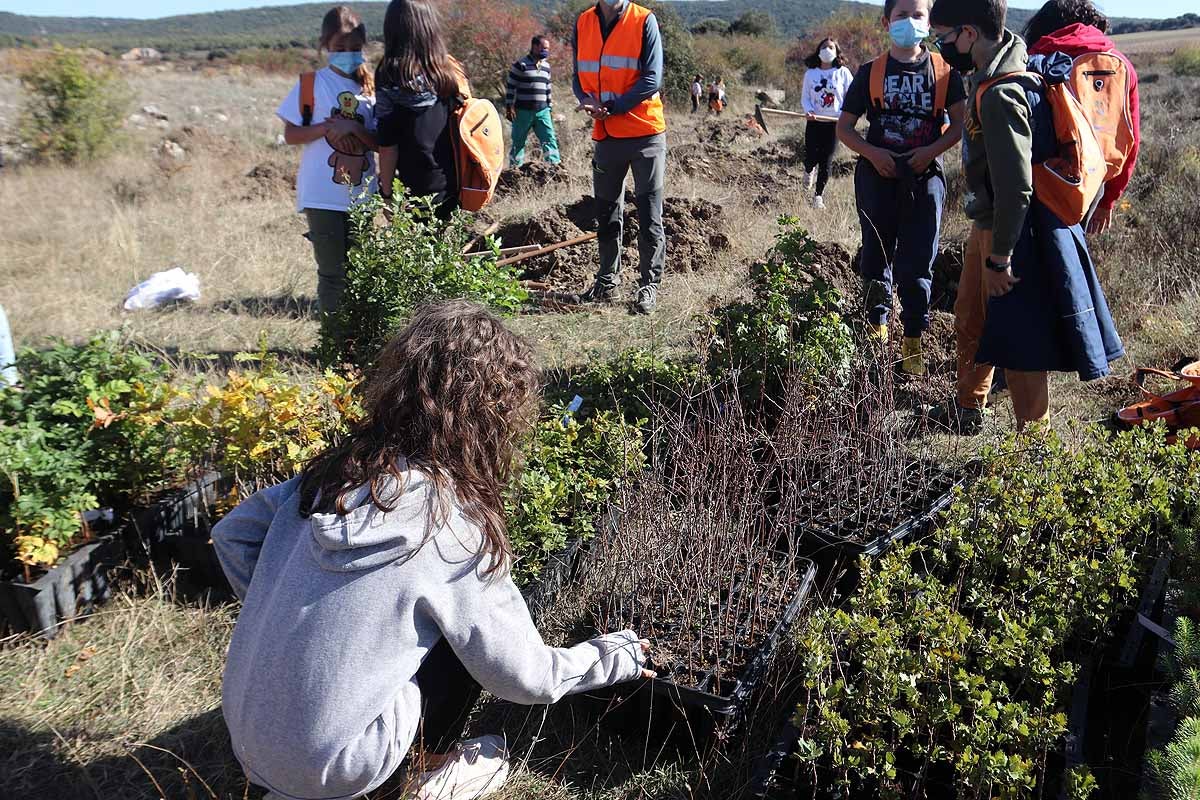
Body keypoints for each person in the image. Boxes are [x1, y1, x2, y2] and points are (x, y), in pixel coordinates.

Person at [213, 300, 653, 800]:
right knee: (461, 638)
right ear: (492, 417)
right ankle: (432, 773)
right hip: (339, 770)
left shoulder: (330, 478)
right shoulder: (450, 527)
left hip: (246, 738)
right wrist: (612, 657)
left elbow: (233, 536)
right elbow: (525, 676)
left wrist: (284, 606)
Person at [923, 0, 1124, 433]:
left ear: (970, 34)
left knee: (1019, 340)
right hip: (992, 223)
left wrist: (1001, 258)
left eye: (944, 38)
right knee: (970, 315)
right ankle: (969, 405)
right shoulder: (1005, 66)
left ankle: (1035, 449)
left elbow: (1016, 189)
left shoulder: (1001, 94)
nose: (941, 48)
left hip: (1010, 231)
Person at [837, 0, 967, 377]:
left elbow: (958, 127)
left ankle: (913, 339)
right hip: (876, 179)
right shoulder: (870, 72)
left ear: (929, 23)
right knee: (876, 257)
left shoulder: (946, 72)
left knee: (918, 262)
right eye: (900, 15)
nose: (909, 22)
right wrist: (873, 153)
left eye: (918, 15)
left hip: (924, 182)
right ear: (886, 22)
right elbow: (844, 128)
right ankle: (877, 335)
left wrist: (929, 152)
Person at [276, 6, 378, 315]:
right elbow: (291, 134)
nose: (347, 54)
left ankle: (357, 344)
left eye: (354, 48)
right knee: (333, 274)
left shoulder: (371, 88)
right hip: (323, 195)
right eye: (339, 48)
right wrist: (327, 128)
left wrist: (356, 129)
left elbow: (381, 143)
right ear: (325, 47)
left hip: (362, 195)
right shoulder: (311, 84)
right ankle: (333, 350)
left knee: (361, 273)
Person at [571, 0, 667, 315]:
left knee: (649, 213)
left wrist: (612, 107)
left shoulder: (644, 21)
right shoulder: (583, 22)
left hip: (645, 135)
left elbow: (652, 79)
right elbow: (578, 75)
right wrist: (586, 99)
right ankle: (606, 281)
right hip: (607, 137)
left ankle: (648, 285)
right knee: (607, 212)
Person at [1023, 0, 1140, 236]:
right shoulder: (1121, 65)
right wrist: (1109, 199)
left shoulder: (1036, 60)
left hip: (1043, 176)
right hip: (1096, 178)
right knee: (1078, 255)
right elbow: (1131, 139)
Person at [374, 0, 465, 219]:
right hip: (454, 183)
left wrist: (386, 195)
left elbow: (388, 147)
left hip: (412, 188)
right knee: (448, 249)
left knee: (417, 251)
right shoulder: (447, 70)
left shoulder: (389, 73)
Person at [800, 38, 855, 210]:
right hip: (814, 121)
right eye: (823, 47)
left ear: (837, 52)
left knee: (826, 160)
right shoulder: (811, 73)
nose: (827, 50)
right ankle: (809, 170)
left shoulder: (843, 73)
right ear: (818, 50)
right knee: (811, 156)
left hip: (834, 123)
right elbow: (805, 97)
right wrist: (808, 110)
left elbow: (851, 95)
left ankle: (818, 196)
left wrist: (846, 114)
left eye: (831, 47)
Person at [505, 35, 561, 168]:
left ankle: (554, 167)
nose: (546, 51)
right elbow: (511, 87)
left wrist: (550, 108)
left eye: (547, 49)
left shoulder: (546, 66)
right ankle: (515, 170)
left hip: (543, 111)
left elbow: (548, 88)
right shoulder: (520, 65)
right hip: (523, 111)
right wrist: (509, 107)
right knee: (518, 141)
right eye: (543, 48)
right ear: (534, 47)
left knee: (549, 138)